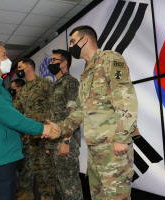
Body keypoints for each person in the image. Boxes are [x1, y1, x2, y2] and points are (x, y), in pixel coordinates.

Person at [0, 40, 60, 200]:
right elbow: (8, 115)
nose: (7, 59)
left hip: (3, 154)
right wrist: (43, 128)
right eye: (3, 55)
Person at [59, 26, 138, 199]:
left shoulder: (110, 59)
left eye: (73, 41)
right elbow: (80, 110)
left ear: (85, 39)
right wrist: (59, 128)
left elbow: (125, 99)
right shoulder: (86, 72)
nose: (71, 46)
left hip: (113, 149)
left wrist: (122, 138)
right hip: (95, 150)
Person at [14, 58, 56, 200]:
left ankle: (48, 197)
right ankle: (43, 196)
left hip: (46, 137)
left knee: (47, 172)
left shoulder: (45, 84)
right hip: (32, 138)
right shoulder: (23, 91)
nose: (17, 70)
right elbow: (16, 112)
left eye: (20, 67)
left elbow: (56, 109)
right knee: (37, 171)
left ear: (28, 68)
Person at [46, 49, 83, 200]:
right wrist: (49, 143)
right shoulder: (54, 86)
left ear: (64, 63)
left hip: (66, 142)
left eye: (54, 60)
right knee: (60, 185)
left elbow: (73, 114)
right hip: (54, 142)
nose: (51, 63)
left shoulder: (71, 82)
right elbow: (52, 116)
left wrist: (66, 140)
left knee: (70, 186)